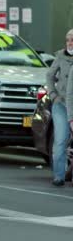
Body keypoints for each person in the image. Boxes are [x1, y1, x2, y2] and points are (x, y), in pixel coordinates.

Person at [51, 28, 73, 187]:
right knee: (60, 140)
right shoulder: (60, 55)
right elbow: (49, 75)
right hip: (62, 103)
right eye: (68, 40)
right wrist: (53, 94)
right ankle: (59, 176)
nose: (70, 43)